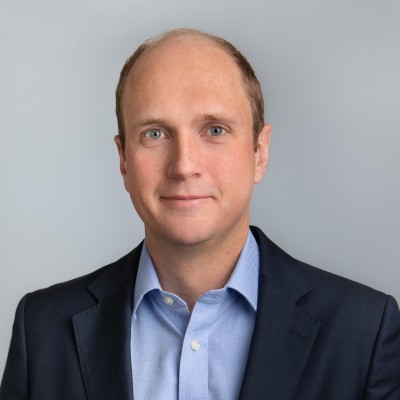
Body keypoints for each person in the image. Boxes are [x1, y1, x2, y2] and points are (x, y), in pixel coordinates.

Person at [1, 28, 400, 400]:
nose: (184, 166)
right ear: (123, 160)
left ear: (260, 152)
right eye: (155, 133)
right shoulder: (42, 330)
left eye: (215, 130)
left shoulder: (364, 333)